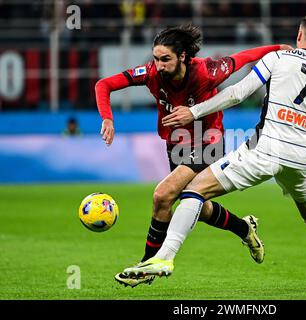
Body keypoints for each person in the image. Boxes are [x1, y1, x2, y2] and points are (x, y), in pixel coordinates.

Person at [125, 14, 306, 290]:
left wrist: (193, 112)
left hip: (264, 151)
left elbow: (237, 94)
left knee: (193, 191)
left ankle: (164, 259)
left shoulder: (277, 59)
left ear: (299, 36)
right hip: (299, 159)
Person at [95, 24, 293, 287]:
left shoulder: (207, 71)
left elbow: (244, 57)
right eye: (155, 58)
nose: (159, 65)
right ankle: (244, 229)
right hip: (177, 144)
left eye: (165, 59)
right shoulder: (152, 73)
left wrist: (277, 49)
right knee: (197, 206)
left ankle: (147, 265)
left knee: (162, 195)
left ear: (183, 57)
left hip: (208, 141)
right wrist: (107, 118)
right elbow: (104, 84)